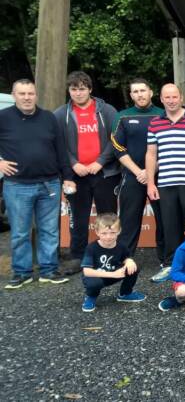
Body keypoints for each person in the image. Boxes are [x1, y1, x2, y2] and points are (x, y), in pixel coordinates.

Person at [0, 79, 75, 289]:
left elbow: (61, 150)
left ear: (36, 95)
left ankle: (48, 271)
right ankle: (22, 273)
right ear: (14, 95)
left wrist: (67, 177)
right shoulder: (3, 118)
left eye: (30, 93)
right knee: (20, 232)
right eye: (22, 93)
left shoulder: (49, 118)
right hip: (17, 185)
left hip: (49, 183)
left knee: (50, 231)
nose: (26, 97)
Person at [54, 71, 120, 274]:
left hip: (105, 173)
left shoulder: (106, 110)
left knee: (107, 217)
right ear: (69, 91)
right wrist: (73, 164)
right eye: (74, 89)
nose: (78, 93)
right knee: (78, 218)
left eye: (82, 88)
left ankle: (110, 255)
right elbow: (58, 144)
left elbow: (116, 138)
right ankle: (78, 257)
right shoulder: (60, 114)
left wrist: (100, 161)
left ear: (90, 89)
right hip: (77, 175)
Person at [146, 84, 185, 283]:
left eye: (175, 96)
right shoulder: (155, 123)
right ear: (162, 99)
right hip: (166, 183)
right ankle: (170, 266)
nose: (171, 100)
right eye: (167, 97)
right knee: (169, 226)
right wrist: (150, 183)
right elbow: (151, 154)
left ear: (181, 97)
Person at [111, 78, 164, 258]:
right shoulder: (122, 116)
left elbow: (169, 147)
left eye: (143, 90)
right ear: (131, 95)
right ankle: (124, 258)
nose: (140, 94)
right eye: (136, 91)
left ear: (151, 92)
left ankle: (166, 260)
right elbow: (117, 147)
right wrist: (139, 172)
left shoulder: (163, 114)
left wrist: (151, 171)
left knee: (165, 220)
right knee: (129, 220)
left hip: (160, 175)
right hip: (133, 176)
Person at [80, 213, 145, 312]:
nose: (108, 237)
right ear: (97, 232)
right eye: (104, 233)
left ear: (119, 231)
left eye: (112, 232)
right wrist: (113, 274)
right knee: (94, 283)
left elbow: (126, 257)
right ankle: (91, 297)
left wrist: (129, 261)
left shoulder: (121, 246)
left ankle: (125, 293)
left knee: (134, 266)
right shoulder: (91, 248)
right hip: (96, 276)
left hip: (114, 274)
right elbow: (87, 271)